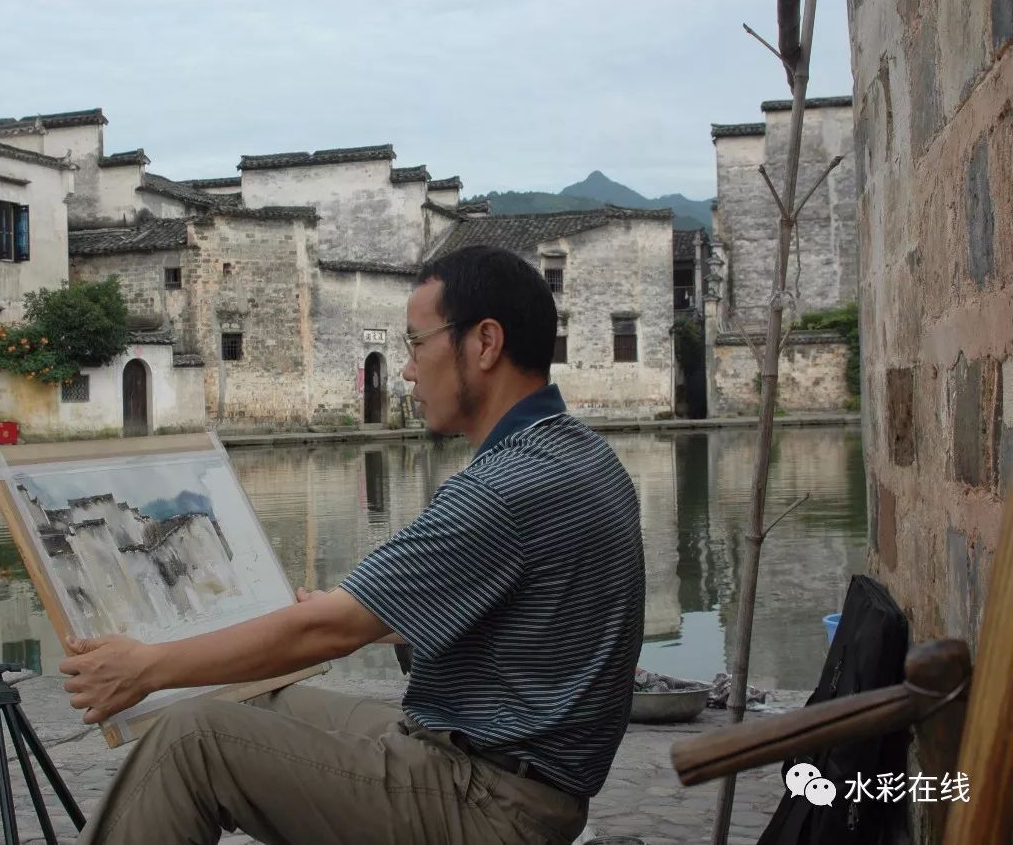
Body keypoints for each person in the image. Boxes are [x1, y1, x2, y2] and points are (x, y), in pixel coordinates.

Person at [61, 245, 646, 845]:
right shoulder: (581, 455)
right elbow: (526, 619)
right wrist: (377, 618)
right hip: (505, 770)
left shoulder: (504, 487)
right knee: (263, 702)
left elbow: (327, 634)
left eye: (418, 344)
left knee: (192, 741)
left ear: (485, 343)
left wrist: (146, 669)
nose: (408, 370)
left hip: (493, 801)